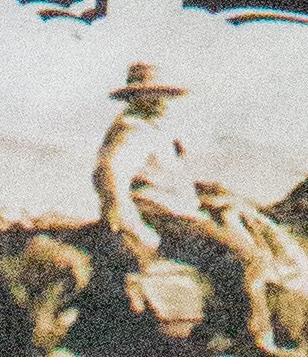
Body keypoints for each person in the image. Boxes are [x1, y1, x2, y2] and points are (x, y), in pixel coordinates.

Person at [91, 64, 277, 323]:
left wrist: (206, 190)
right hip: (161, 215)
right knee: (247, 255)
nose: (160, 100)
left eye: (162, 94)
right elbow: (109, 170)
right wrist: (124, 218)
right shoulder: (133, 128)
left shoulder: (155, 129)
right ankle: (254, 332)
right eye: (151, 94)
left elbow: (162, 176)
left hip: (173, 210)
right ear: (134, 97)